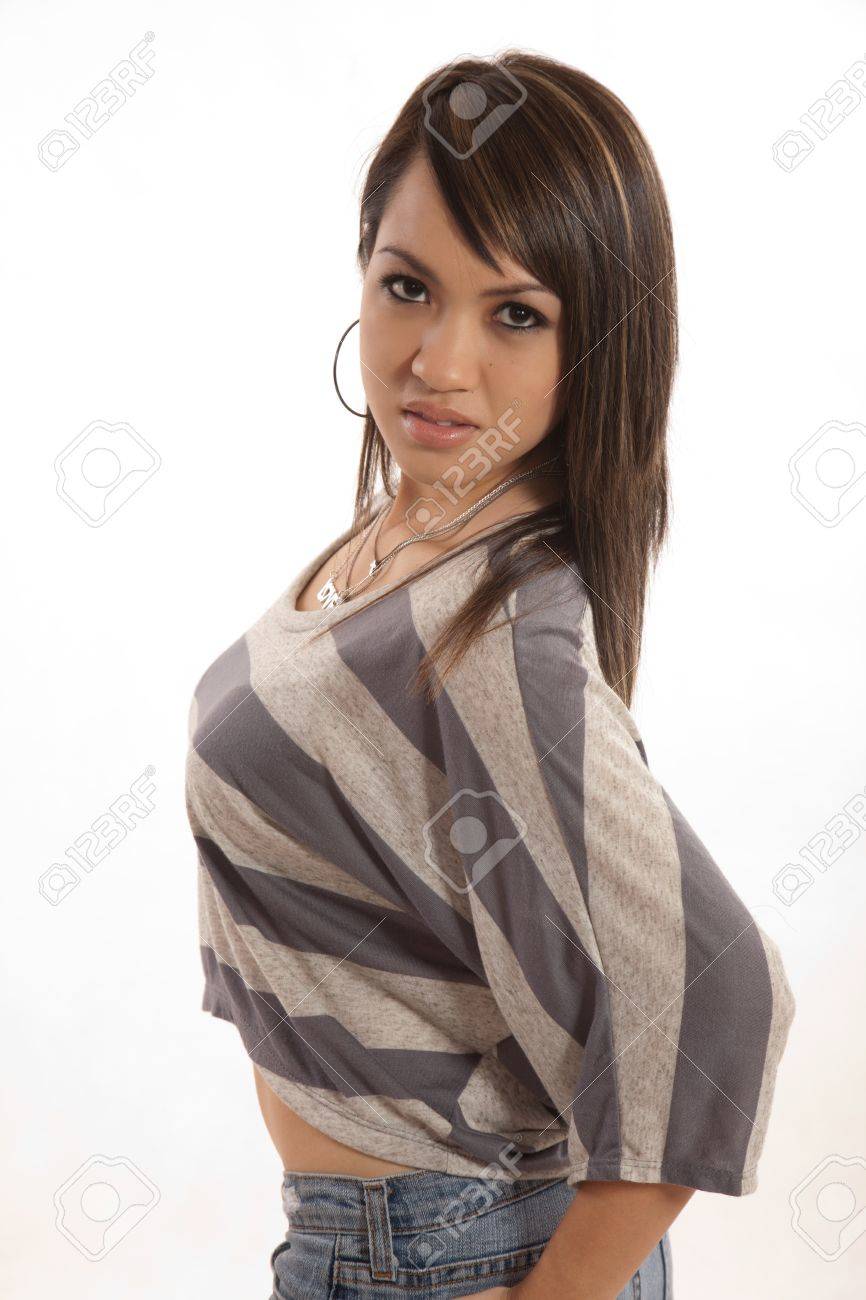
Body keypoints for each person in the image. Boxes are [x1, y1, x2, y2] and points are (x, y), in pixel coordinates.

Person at [184, 50, 796, 1300]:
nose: (437, 360)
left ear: (595, 340)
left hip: (449, 1254)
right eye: (407, 287)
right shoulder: (413, 535)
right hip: (387, 1241)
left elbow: (718, 991)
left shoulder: (499, 627)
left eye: (515, 314)